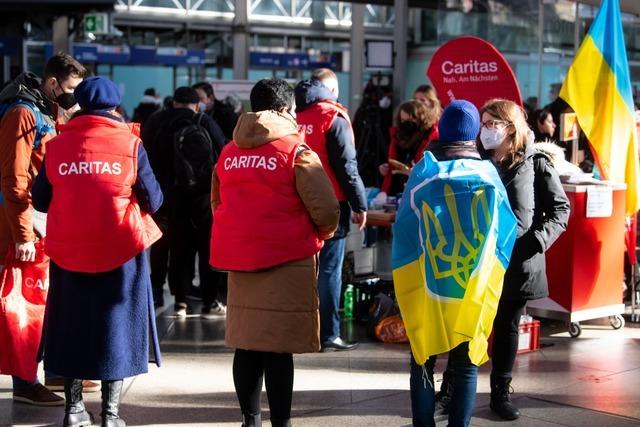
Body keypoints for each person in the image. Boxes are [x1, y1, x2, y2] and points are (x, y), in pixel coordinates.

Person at [32, 76, 164, 427]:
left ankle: (74, 410)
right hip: (120, 249)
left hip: (68, 250)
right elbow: (154, 198)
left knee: (70, 323)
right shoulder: (131, 144)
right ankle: (110, 413)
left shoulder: (57, 146)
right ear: (115, 106)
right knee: (116, 326)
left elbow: (40, 199)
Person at [210, 78, 339, 427]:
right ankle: (281, 423)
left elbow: (217, 203)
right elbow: (326, 209)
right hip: (287, 260)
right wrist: (321, 235)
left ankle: (249, 420)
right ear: (285, 110)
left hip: (241, 260)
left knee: (247, 344)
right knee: (278, 350)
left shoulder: (229, 152)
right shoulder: (296, 152)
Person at [392, 100, 517, 427]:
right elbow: (506, 230)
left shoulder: (423, 171)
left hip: (427, 284)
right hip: (471, 287)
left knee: (422, 359)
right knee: (464, 365)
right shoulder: (489, 176)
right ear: (474, 133)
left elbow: (404, 228)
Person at [0, 52, 90, 406]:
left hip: (39, 224)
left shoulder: (44, 110)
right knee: (25, 305)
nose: (72, 98)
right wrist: (22, 233)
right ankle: (24, 381)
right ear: (53, 82)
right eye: (69, 90)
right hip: (22, 227)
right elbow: (15, 177)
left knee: (42, 300)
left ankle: (48, 370)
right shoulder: (23, 112)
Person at [478, 98, 569, 420]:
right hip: (478, 261)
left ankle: (500, 393)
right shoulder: (475, 160)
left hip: (519, 261)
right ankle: (453, 387)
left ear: (511, 127)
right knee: (469, 326)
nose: (486, 130)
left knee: (507, 327)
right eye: (483, 123)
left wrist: (537, 241)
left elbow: (560, 210)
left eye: (492, 124)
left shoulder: (536, 162)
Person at [295, 68, 367, 351]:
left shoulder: (294, 115)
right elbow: (347, 168)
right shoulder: (332, 117)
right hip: (332, 204)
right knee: (329, 270)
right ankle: (328, 334)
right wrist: (360, 204)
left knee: (301, 267)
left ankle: (300, 331)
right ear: (333, 90)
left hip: (298, 201)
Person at [142, 86, 227, 317]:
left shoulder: (156, 121)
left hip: (167, 197)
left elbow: (144, 156)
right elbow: (224, 150)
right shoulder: (203, 121)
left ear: (174, 103)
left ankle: (179, 300)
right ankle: (210, 302)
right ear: (196, 105)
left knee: (176, 248)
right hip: (202, 196)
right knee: (206, 248)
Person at [379, 100, 440, 195]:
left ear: (421, 118)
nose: (406, 124)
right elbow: (393, 164)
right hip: (397, 191)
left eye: (411, 120)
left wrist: (414, 172)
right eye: (403, 120)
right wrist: (386, 168)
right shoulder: (398, 137)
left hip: (419, 190)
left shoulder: (430, 138)